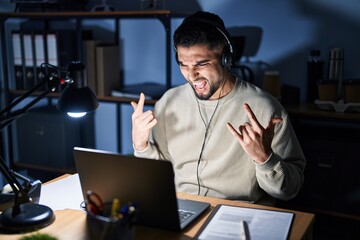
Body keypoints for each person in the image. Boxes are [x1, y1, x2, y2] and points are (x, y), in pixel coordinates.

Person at [131, 11, 305, 206]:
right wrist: (141, 146)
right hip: (180, 208)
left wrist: (265, 159)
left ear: (225, 58)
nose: (192, 75)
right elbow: (160, 172)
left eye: (202, 64)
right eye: (183, 64)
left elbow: (290, 189)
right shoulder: (168, 102)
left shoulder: (264, 108)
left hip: (237, 215)